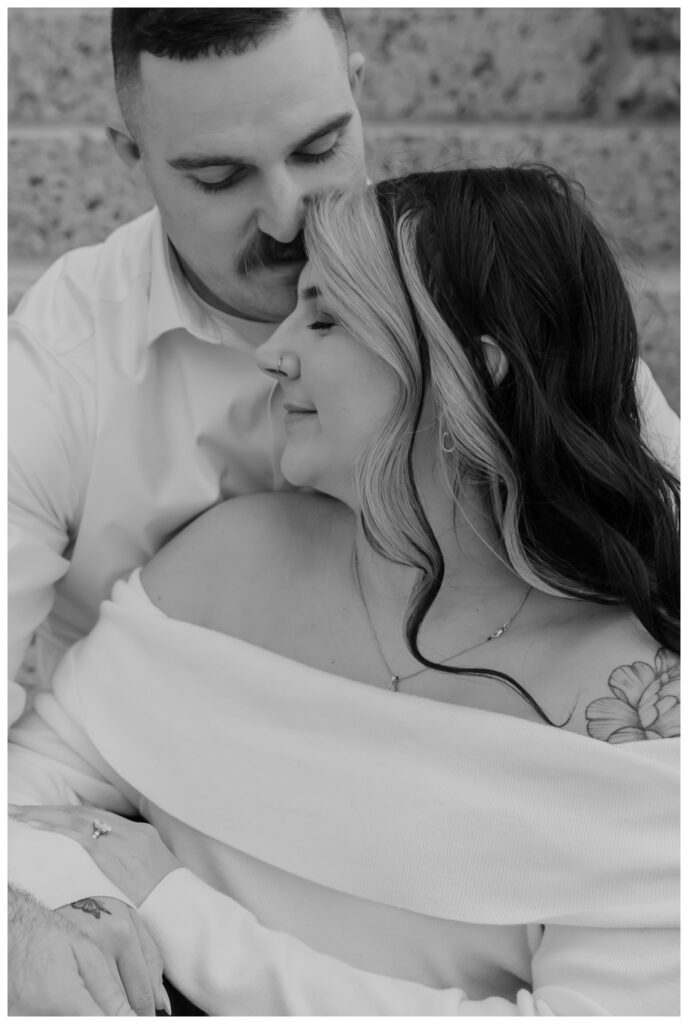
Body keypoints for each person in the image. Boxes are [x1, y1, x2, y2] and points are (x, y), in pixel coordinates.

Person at [10, 167, 679, 1015]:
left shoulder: (645, 714)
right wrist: (72, 904)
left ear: (471, 375)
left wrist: (176, 908)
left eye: (325, 318)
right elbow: (27, 789)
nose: (271, 350)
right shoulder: (223, 559)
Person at [8, 8, 368, 1013]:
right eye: (220, 177)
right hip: (140, 875)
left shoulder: (491, 292)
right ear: (132, 155)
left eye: (319, 147)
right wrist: (39, 913)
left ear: (360, 80)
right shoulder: (61, 366)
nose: (290, 214)